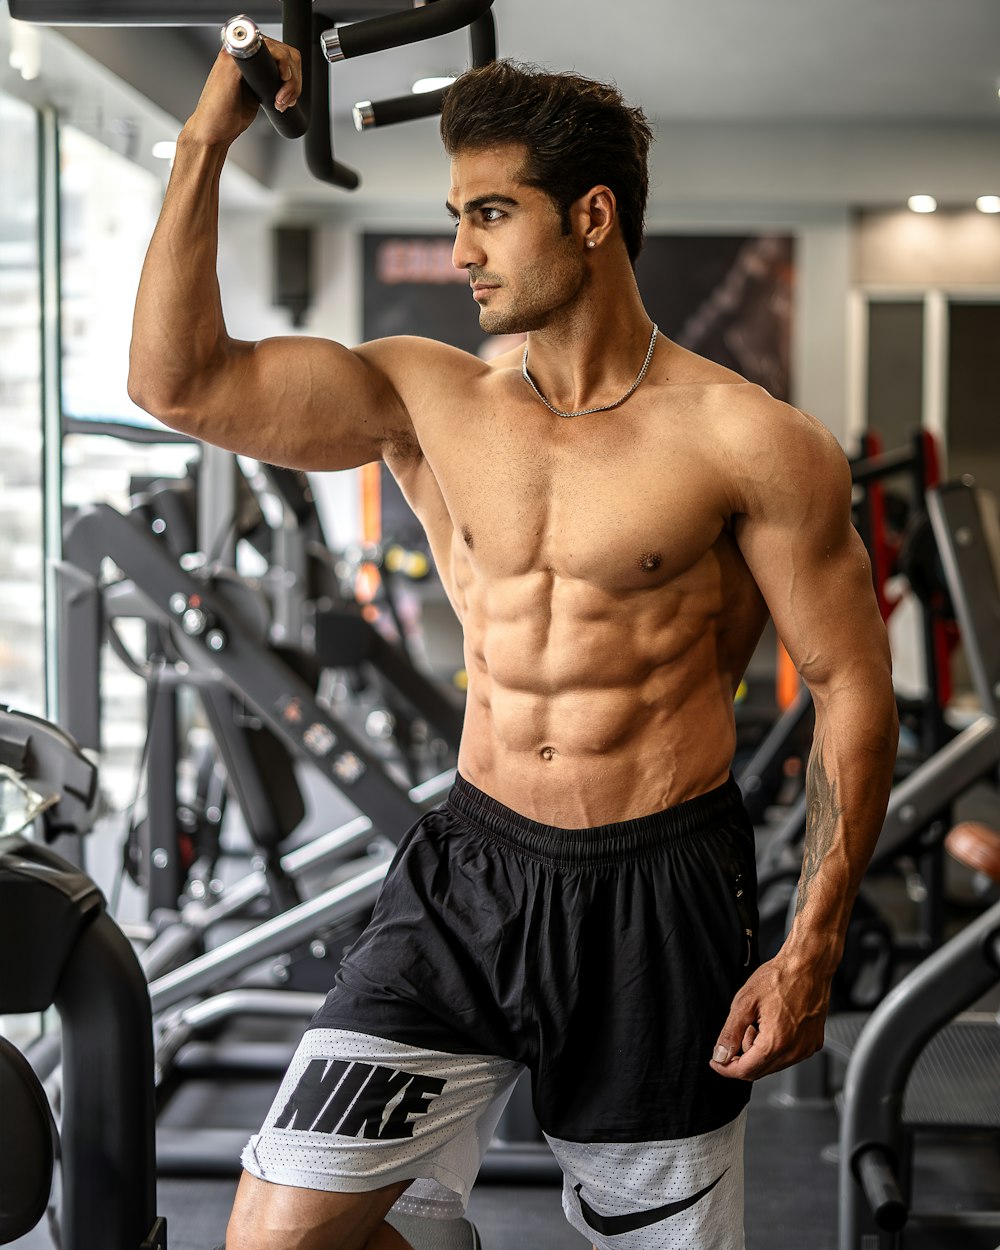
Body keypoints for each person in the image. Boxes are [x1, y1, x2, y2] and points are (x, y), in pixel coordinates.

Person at [128, 41, 899, 1250]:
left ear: (590, 216)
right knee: (276, 1236)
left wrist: (814, 943)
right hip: (470, 873)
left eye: (490, 214)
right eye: (455, 216)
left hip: (660, 891)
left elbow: (853, 683)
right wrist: (201, 144)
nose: (460, 254)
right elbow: (179, 385)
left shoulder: (751, 441)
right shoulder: (428, 399)